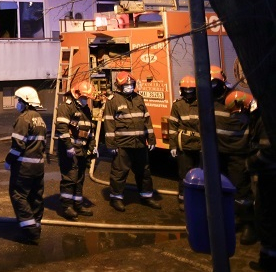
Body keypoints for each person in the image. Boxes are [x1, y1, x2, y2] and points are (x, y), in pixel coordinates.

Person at [103, 71, 161, 212]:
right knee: (119, 173)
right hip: (122, 145)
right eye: (126, 85)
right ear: (119, 86)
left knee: (144, 172)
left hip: (140, 143)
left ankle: (146, 196)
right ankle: (116, 198)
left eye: (131, 84)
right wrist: (111, 144)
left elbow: (147, 119)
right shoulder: (113, 101)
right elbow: (109, 124)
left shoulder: (139, 99)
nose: (129, 87)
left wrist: (151, 139)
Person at [211, 65, 256, 245]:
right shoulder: (207, 99)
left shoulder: (239, 98)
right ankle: (223, 221)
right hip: (216, 153)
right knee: (218, 190)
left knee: (241, 191)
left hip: (238, 153)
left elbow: (257, 117)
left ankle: (248, 225)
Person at [5, 86, 47, 243]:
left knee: (19, 195)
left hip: (24, 168)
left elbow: (18, 146)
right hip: (38, 167)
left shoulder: (24, 119)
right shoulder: (40, 120)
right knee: (35, 197)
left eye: (19, 101)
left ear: (26, 102)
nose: (18, 103)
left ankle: (30, 231)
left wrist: (9, 161)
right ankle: (36, 226)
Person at [54, 79, 97, 220]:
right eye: (84, 97)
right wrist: (68, 147)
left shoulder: (85, 110)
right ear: (77, 94)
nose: (86, 100)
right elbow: (62, 128)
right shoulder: (66, 107)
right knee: (69, 179)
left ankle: (77, 204)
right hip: (70, 151)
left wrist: (92, 147)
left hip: (82, 150)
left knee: (79, 179)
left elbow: (90, 131)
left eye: (87, 98)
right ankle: (67, 207)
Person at [248, 98, 276, 272]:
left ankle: (268, 261)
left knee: (266, 216)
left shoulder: (268, 119)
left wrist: (251, 163)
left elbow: (267, 150)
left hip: (271, 178)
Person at [167, 75, 201, 210]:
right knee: (184, 174)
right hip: (184, 146)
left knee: (201, 174)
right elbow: (172, 127)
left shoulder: (202, 104)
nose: (188, 93)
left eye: (191, 91)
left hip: (200, 146)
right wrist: (173, 146)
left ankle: (200, 198)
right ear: (181, 91)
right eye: (186, 91)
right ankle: (184, 199)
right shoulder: (177, 105)